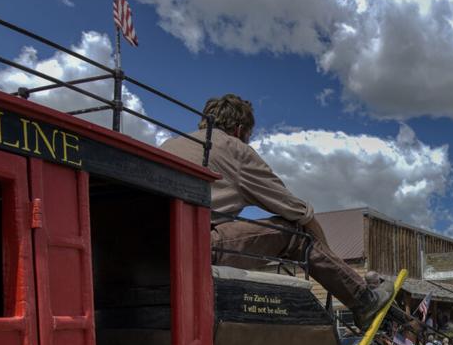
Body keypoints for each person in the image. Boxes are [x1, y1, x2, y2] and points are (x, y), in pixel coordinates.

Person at [161, 94, 392, 328]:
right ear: (240, 130)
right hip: (193, 249)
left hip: (155, 247)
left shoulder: (170, 144)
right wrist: (329, 256)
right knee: (295, 232)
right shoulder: (234, 149)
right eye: (249, 136)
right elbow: (298, 212)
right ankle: (363, 300)